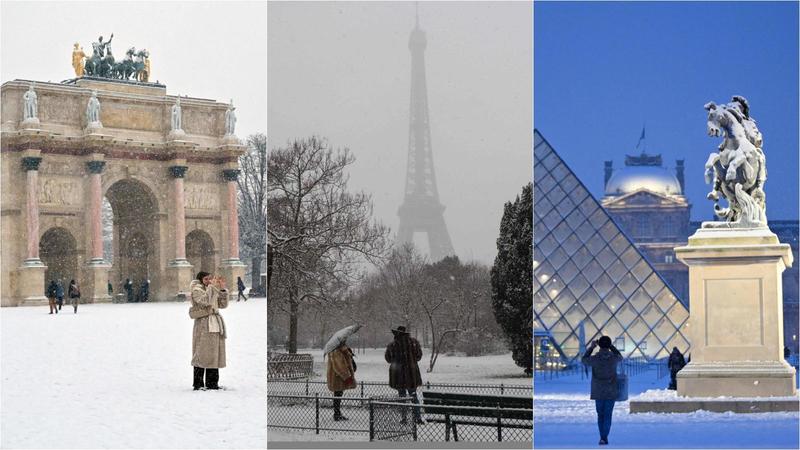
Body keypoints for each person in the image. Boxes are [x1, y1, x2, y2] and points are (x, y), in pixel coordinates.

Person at [189, 271, 228, 390]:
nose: (209, 281)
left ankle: (212, 383)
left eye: (210, 279)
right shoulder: (197, 290)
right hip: (203, 324)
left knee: (214, 353)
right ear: (200, 280)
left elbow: (222, 305)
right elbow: (205, 301)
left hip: (215, 323)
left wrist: (221, 290)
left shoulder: (211, 289)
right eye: (206, 279)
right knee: (201, 353)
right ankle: (198, 383)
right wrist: (212, 287)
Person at [581, 335, 623, 446]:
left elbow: (584, 360)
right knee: (608, 415)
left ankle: (602, 437)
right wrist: (611, 346)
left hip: (598, 391)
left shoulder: (594, 359)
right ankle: (604, 437)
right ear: (609, 345)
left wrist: (591, 348)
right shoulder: (613, 359)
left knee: (600, 415)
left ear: (599, 345)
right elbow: (620, 356)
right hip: (611, 390)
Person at [384, 325, 424, 424]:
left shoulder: (392, 345)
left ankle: (404, 418)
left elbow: (388, 359)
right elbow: (419, 356)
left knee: (402, 397)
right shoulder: (414, 343)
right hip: (411, 375)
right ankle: (417, 418)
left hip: (398, 375)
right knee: (414, 396)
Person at [327, 341, 356, 421]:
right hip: (337, 377)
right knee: (337, 394)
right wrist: (346, 376)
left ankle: (337, 413)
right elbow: (339, 366)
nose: (345, 341)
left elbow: (345, 360)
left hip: (340, 377)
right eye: (343, 341)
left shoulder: (341, 349)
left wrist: (349, 353)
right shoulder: (335, 351)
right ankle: (337, 414)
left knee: (338, 394)